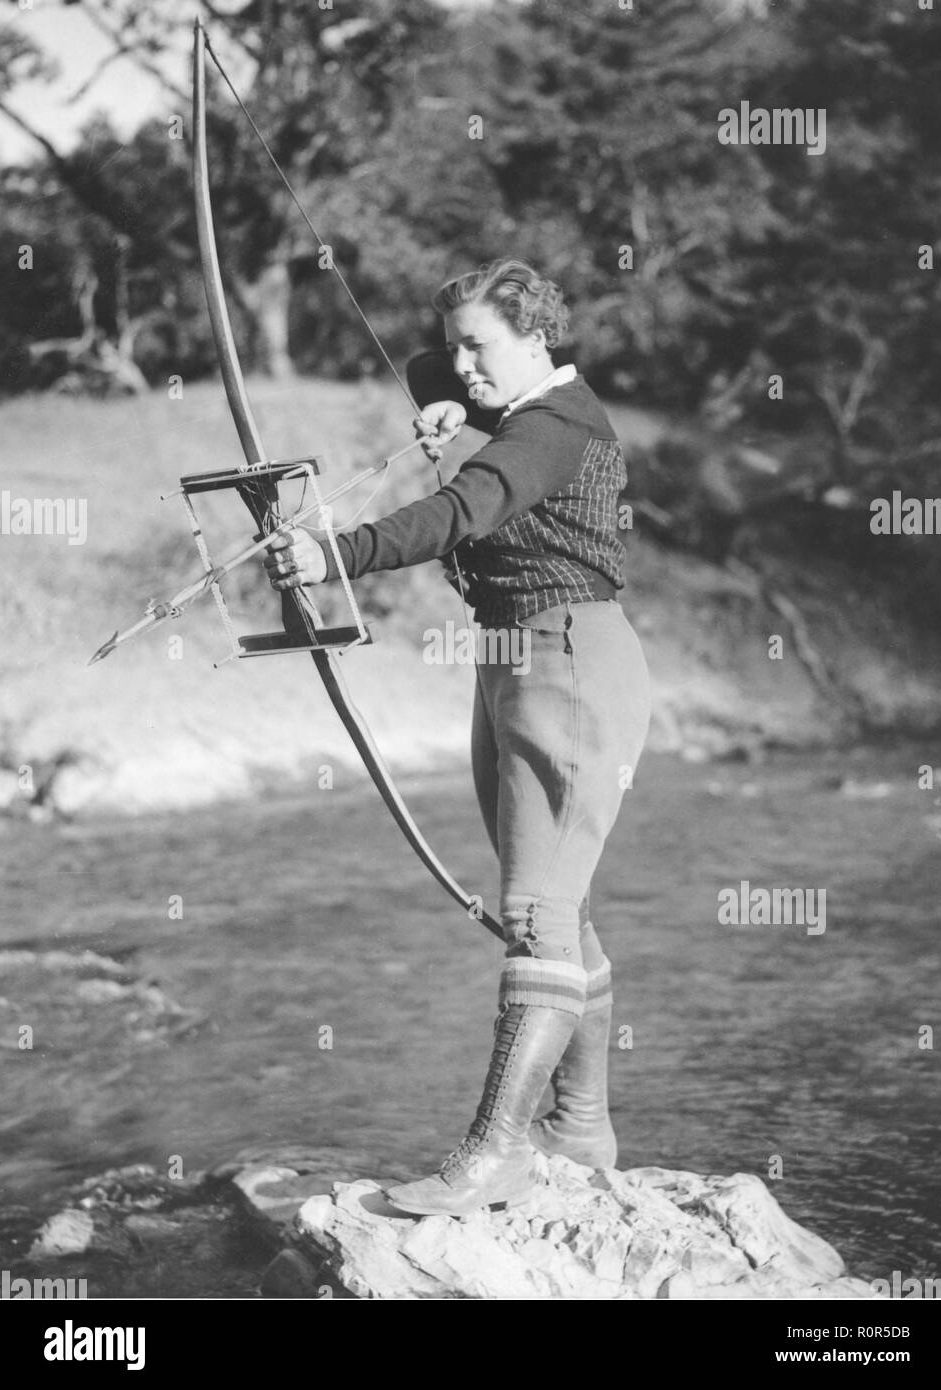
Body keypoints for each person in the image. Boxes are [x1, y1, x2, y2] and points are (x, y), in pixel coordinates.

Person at [264, 258, 651, 1217]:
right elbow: (437, 380)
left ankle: (496, 1154)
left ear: (537, 338)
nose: (460, 365)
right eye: (455, 350)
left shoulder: (553, 426)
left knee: (535, 911)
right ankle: (581, 1130)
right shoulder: (518, 411)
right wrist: (461, 399)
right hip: (514, 658)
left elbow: (460, 511)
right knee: (555, 907)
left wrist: (334, 553)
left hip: (570, 658)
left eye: (479, 347)